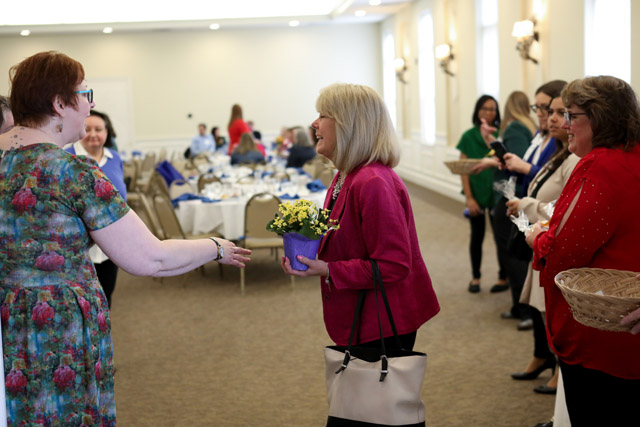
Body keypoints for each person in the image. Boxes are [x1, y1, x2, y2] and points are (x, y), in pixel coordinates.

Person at [0, 51, 251, 426]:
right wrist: (216, 246)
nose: (92, 104)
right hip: (56, 328)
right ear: (58, 103)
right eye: (85, 92)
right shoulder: (72, 172)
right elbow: (149, 258)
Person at [281, 83, 439, 349]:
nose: (314, 124)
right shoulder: (347, 174)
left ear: (348, 124)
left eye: (322, 115)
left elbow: (394, 265)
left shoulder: (373, 181)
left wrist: (328, 269)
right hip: (362, 314)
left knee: (378, 391)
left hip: (382, 322)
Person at [526, 76, 640, 426]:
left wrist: (536, 239)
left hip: (602, 326)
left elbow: (565, 250)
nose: (565, 125)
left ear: (599, 117)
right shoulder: (632, 156)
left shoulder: (600, 165)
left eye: (572, 115)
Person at [473, 91, 537, 323]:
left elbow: (515, 160)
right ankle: (520, 306)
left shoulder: (514, 129)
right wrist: (491, 141)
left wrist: (490, 160)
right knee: (516, 254)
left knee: (512, 255)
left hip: (512, 199)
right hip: (521, 199)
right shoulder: (529, 128)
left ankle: (524, 309)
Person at [65, 110, 126, 308]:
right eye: (87, 128)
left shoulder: (114, 157)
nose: (93, 134)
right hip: (80, 247)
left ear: (107, 133)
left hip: (111, 244)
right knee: (82, 303)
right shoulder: (67, 158)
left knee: (107, 296)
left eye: (98, 129)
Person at [456, 95, 506, 293]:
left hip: (497, 193)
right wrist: (469, 197)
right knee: (476, 236)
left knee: (500, 236)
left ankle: (504, 277)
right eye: (485, 109)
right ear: (478, 111)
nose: (489, 112)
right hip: (475, 193)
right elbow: (463, 168)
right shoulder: (468, 136)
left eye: (493, 109)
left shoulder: (499, 135)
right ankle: (475, 277)